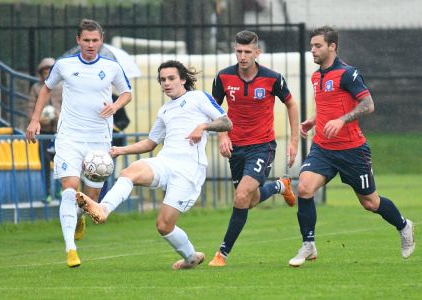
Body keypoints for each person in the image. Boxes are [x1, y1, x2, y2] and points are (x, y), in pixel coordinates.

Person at [75, 60, 232, 270]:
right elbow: (150, 143)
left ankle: (191, 258)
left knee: (164, 226)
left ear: (183, 79)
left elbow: (226, 122)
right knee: (129, 172)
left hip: (188, 170)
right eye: (162, 80)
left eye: (171, 78)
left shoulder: (199, 97)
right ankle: (103, 209)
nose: (166, 83)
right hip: (165, 161)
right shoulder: (165, 110)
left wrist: (203, 126)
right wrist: (121, 150)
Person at [288, 26, 415, 267]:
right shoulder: (317, 76)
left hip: (352, 150)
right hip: (323, 148)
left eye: (317, 46)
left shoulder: (348, 74)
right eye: (312, 45)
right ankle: (308, 245)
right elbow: (328, 105)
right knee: (304, 188)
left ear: (332, 46)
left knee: (370, 203)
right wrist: (313, 120)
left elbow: (368, 104)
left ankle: (403, 225)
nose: (312, 50)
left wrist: (342, 119)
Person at [26, 19, 132, 268]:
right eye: (86, 40)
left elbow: (127, 92)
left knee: (90, 197)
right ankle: (70, 250)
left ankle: (80, 217)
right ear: (78, 41)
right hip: (69, 137)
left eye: (95, 40)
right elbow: (45, 89)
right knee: (69, 189)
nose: (91, 45)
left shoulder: (112, 67)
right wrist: (34, 120)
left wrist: (115, 105)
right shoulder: (64, 65)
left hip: (99, 140)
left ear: (101, 41)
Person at [208, 30, 300, 267]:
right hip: (236, 147)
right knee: (248, 200)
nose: (242, 56)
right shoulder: (223, 78)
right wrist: (222, 138)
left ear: (257, 52)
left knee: (240, 196)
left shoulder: (272, 78)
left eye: (247, 51)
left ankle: (222, 254)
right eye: (239, 51)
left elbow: (291, 104)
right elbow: (213, 110)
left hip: (262, 146)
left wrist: (293, 141)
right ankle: (281, 186)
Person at [27, 57, 63, 203]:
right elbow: (30, 107)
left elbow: (69, 106)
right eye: (45, 71)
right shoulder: (36, 88)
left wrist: (58, 115)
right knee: (45, 162)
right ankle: (47, 193)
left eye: (50, 70)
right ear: (41, 73)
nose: (47, 74)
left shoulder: (62, 86)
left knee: (61, 162)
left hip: (60, 132)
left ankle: (60, 189)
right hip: (44, 133)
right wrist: (37, 120)